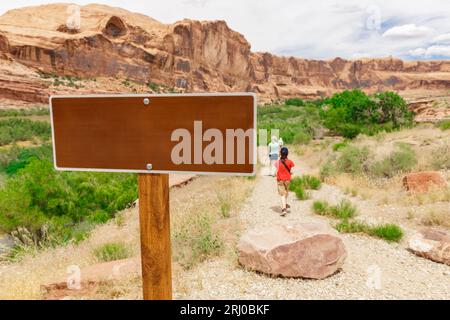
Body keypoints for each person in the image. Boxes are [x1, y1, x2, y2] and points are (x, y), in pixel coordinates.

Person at [274, 147, 295, 216]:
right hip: (287, 180)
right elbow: (292, 171)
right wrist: (290, 173)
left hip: (280, 180)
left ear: (280, 154)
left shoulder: (277, 162)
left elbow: (275, 172)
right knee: (286, 192)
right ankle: (285, 204)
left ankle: (284, 209)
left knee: (282, 194)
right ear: (287, 154)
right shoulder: (290, 162)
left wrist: (275, 174)